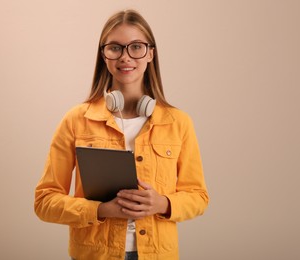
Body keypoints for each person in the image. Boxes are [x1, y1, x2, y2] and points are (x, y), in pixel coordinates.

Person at [34, 9, 209, 260]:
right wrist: (101, 210)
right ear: (103, 55)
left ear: (150, 53)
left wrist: (162, 204)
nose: (126, 57)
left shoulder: (177, 122)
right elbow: (45, 202)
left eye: (136, 47)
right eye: (115, 48)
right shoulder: (76, 120)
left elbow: (199, 197)